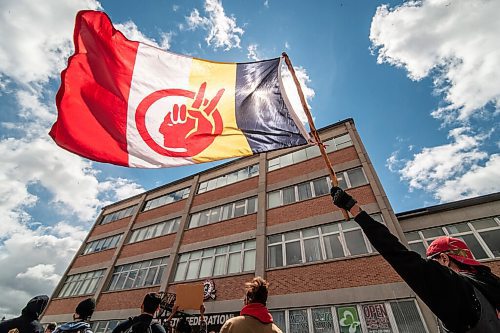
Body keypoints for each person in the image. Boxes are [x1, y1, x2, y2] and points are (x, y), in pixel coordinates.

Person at [330, 186, 500, 333]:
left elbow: (396, 252)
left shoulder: (452, 285)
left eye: (432, 260)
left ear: (444, 259)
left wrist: (352, 207)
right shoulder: (492, 283)